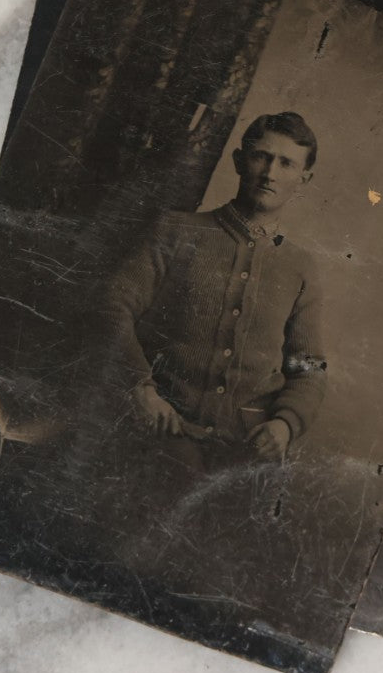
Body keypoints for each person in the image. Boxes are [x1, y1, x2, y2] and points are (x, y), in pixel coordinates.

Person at [96, 112, 327, 487]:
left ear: (304, 179)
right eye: (261, 156)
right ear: (239, 161)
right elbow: (112, 306)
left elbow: (311, 369)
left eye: (286, 163)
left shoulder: (301, 268)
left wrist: (285, 425)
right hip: (164, 424)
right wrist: (140, 386)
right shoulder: (175, 230)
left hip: (247, 447)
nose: (270, 172)